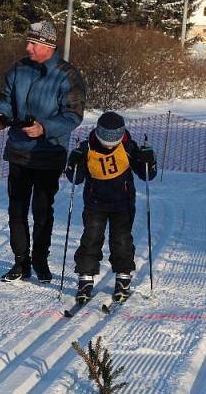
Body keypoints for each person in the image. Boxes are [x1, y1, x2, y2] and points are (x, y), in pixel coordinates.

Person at [0, 20, 86, 283]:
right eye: (28, 42)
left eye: (32, 43)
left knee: (43, 211)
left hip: (49, 153)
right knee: (16, 210)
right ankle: (21, 262)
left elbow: (73, 115)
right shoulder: (18, 68)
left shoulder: (67, 75)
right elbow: (5, 97)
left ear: (48, 46)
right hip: (19, 150)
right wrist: (1, 114)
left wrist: (45, 128)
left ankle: (41, 261)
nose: (27, 47)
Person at [65, 111, 157, 303]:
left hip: (122, 203)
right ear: (98, 132)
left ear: (121, 134)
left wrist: (148, 160)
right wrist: (73, 163)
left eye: (113, 137)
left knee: (122, 241)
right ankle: (85, 277)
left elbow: (147, 175)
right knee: (91, 238)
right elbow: (77, 178)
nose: (109, 143)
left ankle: (123, 277)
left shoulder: (128, 146)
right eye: (105, 137)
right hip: (95, 203)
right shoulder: (87, 147)